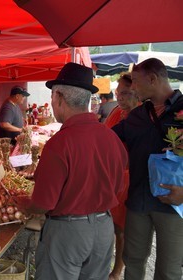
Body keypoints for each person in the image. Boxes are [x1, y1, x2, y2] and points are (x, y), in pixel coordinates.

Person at [15, 62, 128, 280]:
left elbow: (44, 203)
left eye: (52, 97)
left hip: (68, 232)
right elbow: (119, 183)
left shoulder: (60, 143)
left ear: (58, 97)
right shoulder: (111, 137)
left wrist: (25, 204)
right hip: (104, 227)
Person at [112, 58, 183, 280]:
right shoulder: (138, 115)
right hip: (139, 201)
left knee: (168, 270)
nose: (132, 87)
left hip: (173, 204)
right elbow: (108, 138)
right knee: (133, 261)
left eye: (135, 81)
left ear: (152, 79)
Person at [104, 73, 139, 280]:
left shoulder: (143, 116)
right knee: (109, 225)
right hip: (111, 177)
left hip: (130, 179)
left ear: (137, 92)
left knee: (122, 230)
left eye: (125, 93)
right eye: (118, 93)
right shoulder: (117, 112)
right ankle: (105, 263)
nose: (120, 97)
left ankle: (117, 271)